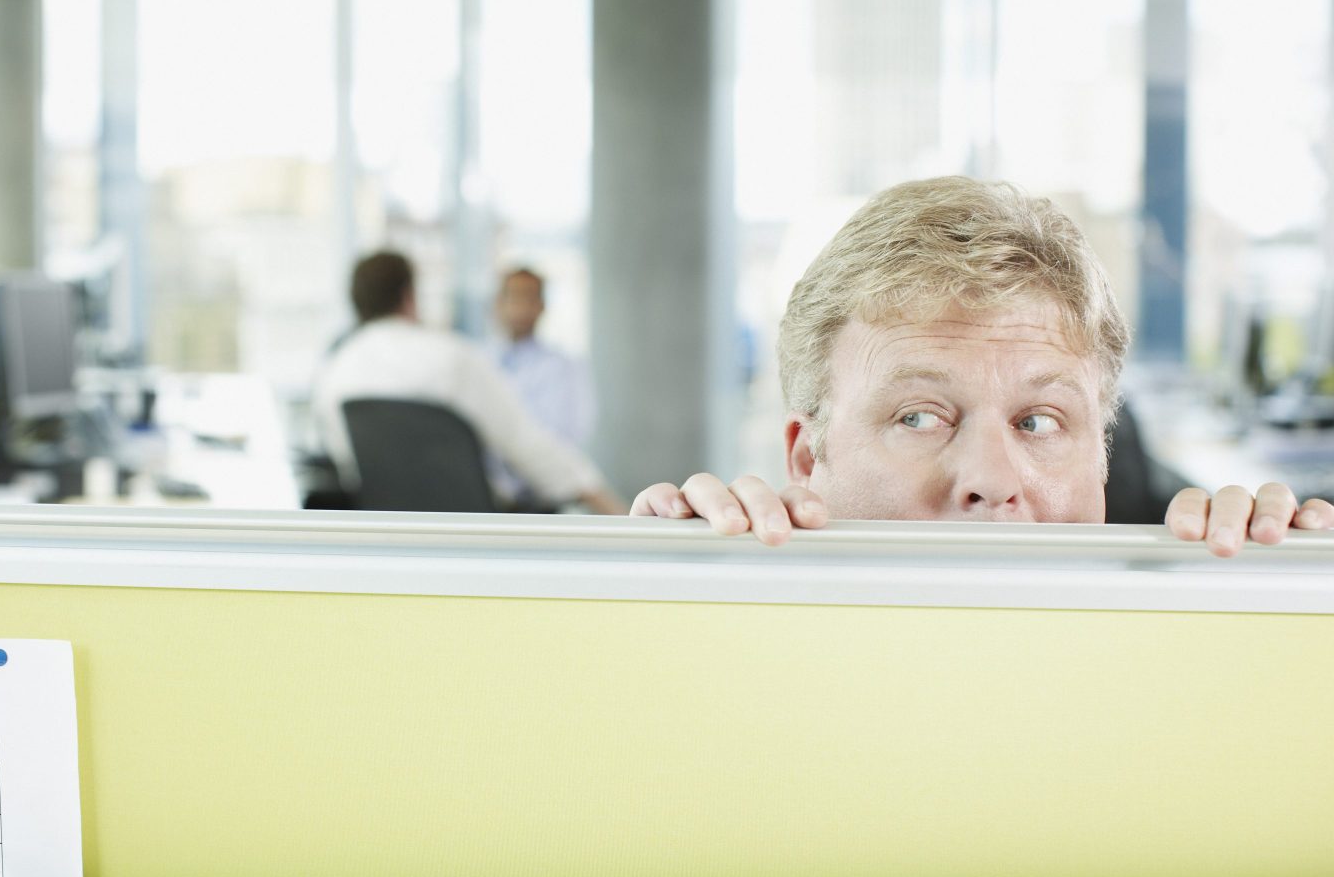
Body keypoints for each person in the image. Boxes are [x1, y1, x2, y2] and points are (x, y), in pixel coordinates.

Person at [631, 176, 1334, 556]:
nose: (993, 483)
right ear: (807, 457)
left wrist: (1270, 582)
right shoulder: (742, 637)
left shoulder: (1181, 656)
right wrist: (673, 589)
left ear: (1101, 459)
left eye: (1039, 421)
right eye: (919, 418)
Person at [314, 250, 624, 515]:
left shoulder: (335, 371)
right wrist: (615, 511)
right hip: (474, 531)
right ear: (409, 297)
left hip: (384, 534)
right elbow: (529, 448)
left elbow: (346, 463)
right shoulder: (451, 357)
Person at [487, 267, 596, 507]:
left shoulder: (563, 367)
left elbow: (567, 435)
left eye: (529, 297)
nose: (521, 307)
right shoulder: (480, 362)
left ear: (542, 306)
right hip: (485, 496)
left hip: (541, 499)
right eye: (513, 296)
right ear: (497, 304)